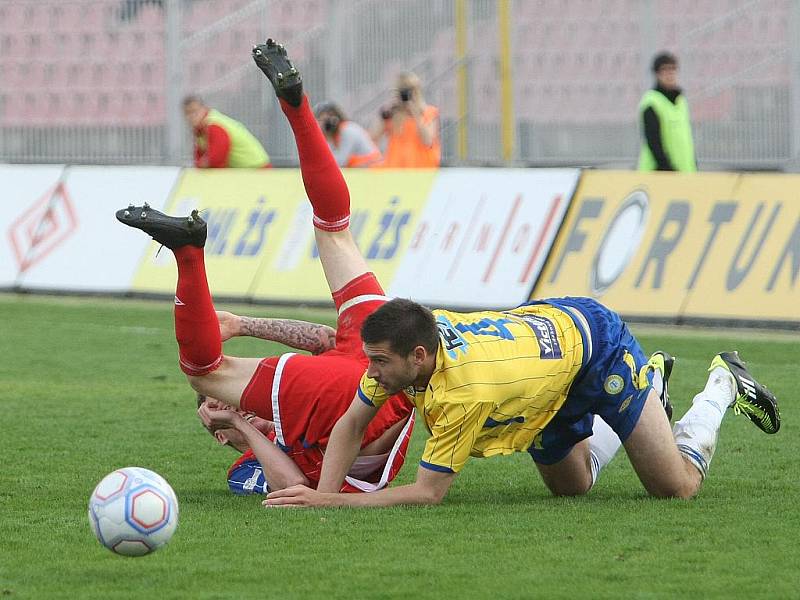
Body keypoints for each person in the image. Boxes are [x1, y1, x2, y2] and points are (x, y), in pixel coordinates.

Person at [118, 53, 420, 492]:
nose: (250, 405)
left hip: (365, 360)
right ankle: (296, 109)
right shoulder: (249, 458)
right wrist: (248, 432)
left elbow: (325, 341)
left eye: (241, 400)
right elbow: (296, 482)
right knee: (334, 234)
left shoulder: (292, 400)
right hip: (375, 383)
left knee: (204, 370)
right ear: (224, 434)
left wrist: (243, 325)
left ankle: (189, 251)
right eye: (239, 405)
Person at [637, 52, 697, 172]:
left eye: (673, 69)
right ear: (657, 74)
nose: (670, 73)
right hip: (659, 172)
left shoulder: (680, 100)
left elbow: (685, 137)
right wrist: (666, 169)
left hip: (684, 171)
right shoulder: (651, 102)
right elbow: (653, 141)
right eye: (665, 70)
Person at [370, 71, 441, 168]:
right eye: (401, 91)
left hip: (422, 170)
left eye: (409, 90)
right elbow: (373, 139)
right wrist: (384, 114)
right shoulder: (392, 114)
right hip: (396, 170)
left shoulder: (429, 112)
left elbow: (428, 141)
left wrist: (415, 113)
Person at [183, 95, 271, 169]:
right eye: (188, 113)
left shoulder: (214, 126)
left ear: (204, 109)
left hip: (257, 170)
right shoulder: (201, 130)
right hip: (246, 171)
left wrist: (200, 164)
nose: (192, 116)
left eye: (195, 111)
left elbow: (216, 160)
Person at [315, 101, 382, 168]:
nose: (320, 126)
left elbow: (341, 162)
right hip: (360, 170)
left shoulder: (348, 130)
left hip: (372, 169)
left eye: (323, 120)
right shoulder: (332, 136)